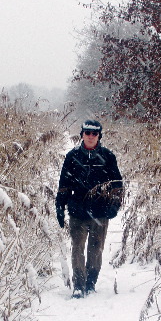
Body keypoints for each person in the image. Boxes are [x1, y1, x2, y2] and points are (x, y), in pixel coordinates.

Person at [55, 119, 123, 298]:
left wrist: (114, 205)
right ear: (82, 135)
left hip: (100, 212)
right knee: (77, 248)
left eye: (95, 133)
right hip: (77, 211)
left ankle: (91, 282)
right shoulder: (72, 156)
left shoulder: (108, 156)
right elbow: (64, 184)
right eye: (87, 133)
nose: (91, 136)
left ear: (99, 135)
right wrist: (60, 207)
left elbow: (117, 184)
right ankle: (78, 285)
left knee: (96, 249)